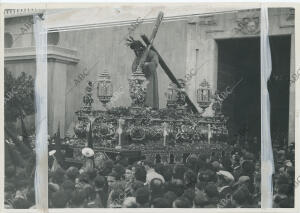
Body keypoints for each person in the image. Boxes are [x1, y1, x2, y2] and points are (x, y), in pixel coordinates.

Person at [127, 38, 159, 109]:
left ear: (141, 48)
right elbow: (134, 65)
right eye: (135, 51)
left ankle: (150, 107)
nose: (137, 52)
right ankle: (140, 107)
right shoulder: (138, 56)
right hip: (140, 77)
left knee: (149, 92)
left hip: (149, 76)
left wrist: (147, 64)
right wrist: (137, 68)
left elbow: (155, 62)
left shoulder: (150, 53)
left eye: (138, 50)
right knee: (139, 92)